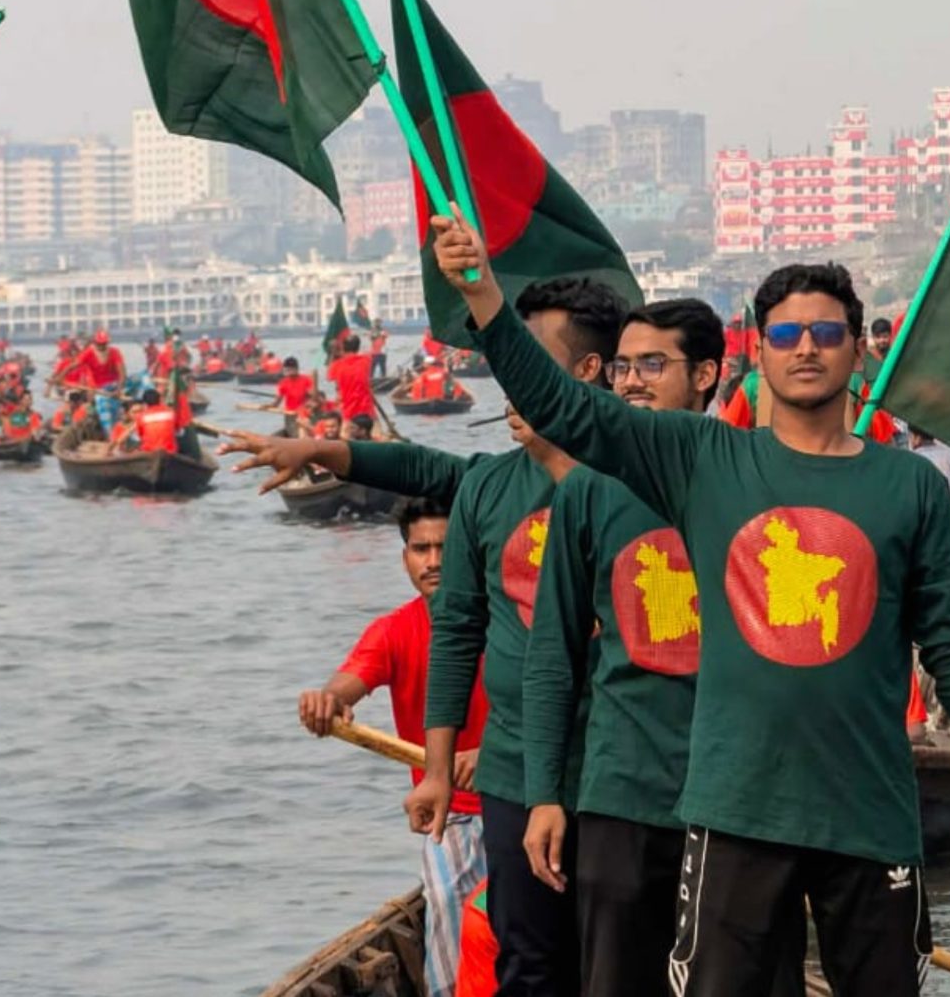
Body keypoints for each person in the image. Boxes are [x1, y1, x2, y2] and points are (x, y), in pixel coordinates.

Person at [433, 217, 950, 997]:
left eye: (826, 331)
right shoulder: (703, 460)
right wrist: (485, 299)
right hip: (736, 811)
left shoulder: (911, 486)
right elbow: (566, 407)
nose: (806, 346)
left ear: (856, 348)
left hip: (870, 810)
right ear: (758, 351)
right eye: (786, 332)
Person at [226, 276, 631, 997]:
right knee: (529, 962)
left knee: (624, 961)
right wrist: (438, 772)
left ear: (589, 370)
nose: (509, 378)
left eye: (526, 359)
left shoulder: (644, 473)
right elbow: (453, 622)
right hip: (515, 768)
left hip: (622, 765)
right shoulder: (490, 486)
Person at [512, 297, 764, 995]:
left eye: (652, 364)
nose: (629, 382)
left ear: (707, 374)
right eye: (621, 367)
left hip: (740, 796)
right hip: (622, 791)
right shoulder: (588, 490)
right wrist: (544, 795)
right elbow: (552, 655)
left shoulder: (756, 477)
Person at [295, 505, 489, 997]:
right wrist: (327, 702)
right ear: (405, 559)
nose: (434, 561)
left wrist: (492, 752)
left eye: (445, 548)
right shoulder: (394, 631)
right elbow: (346, 685)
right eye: (421, 549)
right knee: (448, 898)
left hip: (527, 802)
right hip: (451, 815)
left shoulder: (509, 621)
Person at [275, 357, 316, 430]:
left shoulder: (306, 379)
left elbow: (313, 396)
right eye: (287, 370)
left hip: (304, 413)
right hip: (290, 414)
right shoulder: (283, 382)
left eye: (291, 369)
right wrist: (271, 405)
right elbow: (278, 400)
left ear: (297, 369)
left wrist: (310, 399)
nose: (289, 372)